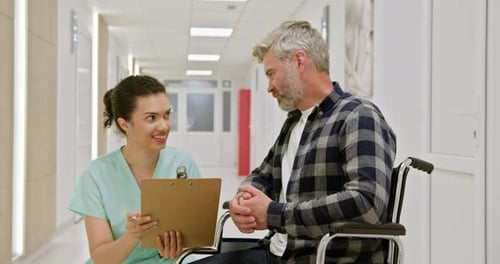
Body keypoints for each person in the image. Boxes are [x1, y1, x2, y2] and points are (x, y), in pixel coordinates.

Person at [193, 20, 396, 263]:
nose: (269, 87)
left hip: (321, 257)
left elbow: (367, 204)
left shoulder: (358, 116)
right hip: (277, 252)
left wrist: (274, 214)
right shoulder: (295, 122)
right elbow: (262, 175)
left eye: (271, 74)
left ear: (299, 61)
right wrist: (244, 199)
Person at [69, 75, 202, 264]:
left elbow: (196, 233)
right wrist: (132, 236)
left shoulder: (182, 163)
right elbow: (101, 258)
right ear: (124, 124)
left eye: (166, 115)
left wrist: (179, 249)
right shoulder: (96, 175)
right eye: (151, 118)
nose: (164, 126)